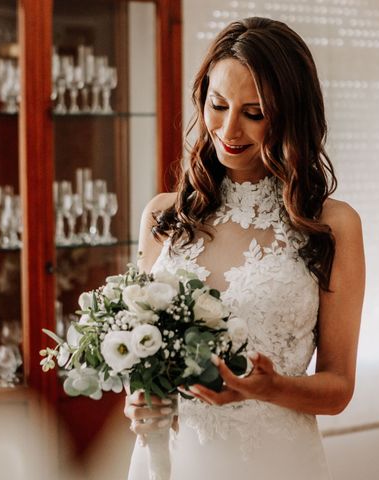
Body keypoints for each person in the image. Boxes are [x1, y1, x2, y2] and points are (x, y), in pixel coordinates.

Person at [124, 16, 365, 480]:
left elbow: (338, 388)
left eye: (254, 113)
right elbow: (141, 356)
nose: (228, 129)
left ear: (291, 115)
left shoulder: (332, 225)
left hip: (273, 462)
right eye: (218, 105)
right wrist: (138, 401)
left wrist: (269, 387)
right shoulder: (162, 216)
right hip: (169, 462)